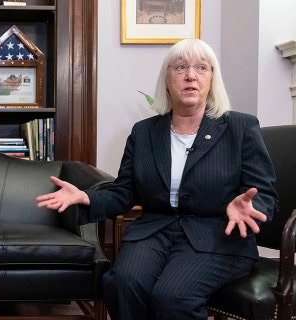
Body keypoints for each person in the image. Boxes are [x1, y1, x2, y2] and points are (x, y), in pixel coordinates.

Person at [36, 39, 278, 319]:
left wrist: (251, 207)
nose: (191, 75)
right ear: (167, 79)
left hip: (217, 234)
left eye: (201, 68)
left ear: (212, 79)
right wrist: (86, 196)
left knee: (172, 298)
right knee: (121, 284)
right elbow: (124, 192)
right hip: (156, 231)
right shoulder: (144, 132)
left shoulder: (240, 127)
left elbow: (265, 195)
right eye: (181, 67)